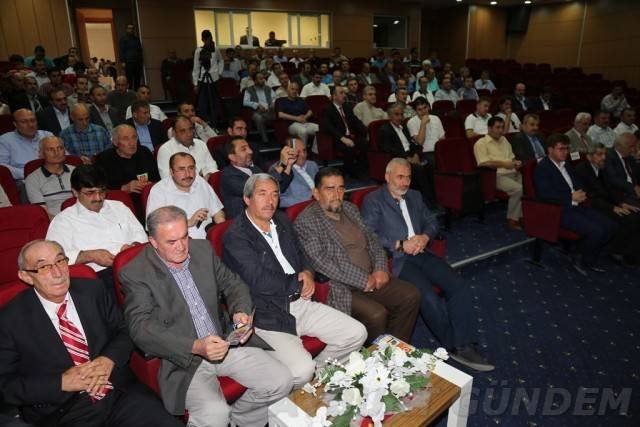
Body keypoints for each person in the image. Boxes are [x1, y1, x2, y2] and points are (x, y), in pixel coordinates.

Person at [119, 205, 293, 426]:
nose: (182, 247)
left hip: (224, 341)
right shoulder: (136, 272)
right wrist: (195, 346)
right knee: (215, 413)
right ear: (153, 241)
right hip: (184, 359)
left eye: (184, 237)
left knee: (282, 380)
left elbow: (233, 284)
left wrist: (239, 311)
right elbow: (140, 328)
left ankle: (243, 419)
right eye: (171, 242)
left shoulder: (202, 249)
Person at [0, 239, 183, 427]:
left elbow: (125, 329)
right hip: (65, 412)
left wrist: (108, 359)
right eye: (44, 267)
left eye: (60, 261)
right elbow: (5, 385)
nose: (57, 273)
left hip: (118, 393)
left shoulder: (92, 291)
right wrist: (60, 383)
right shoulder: (9, 320)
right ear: (26, 276)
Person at [222, 174, 366, 386]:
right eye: (262, 194)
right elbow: (258, 280)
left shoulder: (281, 220)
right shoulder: (236, 236)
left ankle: (318, 379)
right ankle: (308, 382)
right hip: (269, 314)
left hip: (301, 302)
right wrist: (297, 282)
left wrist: (307, 272)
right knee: (302, 370)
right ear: (247, 198)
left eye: (275, 195)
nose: (270, 201)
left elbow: (301, 252)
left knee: (356, 333)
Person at [361, 158, 495, 371]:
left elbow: (432, 221)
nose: (405, 182)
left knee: (459, 286)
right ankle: (455, 346)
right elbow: (369, 235)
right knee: (428, 297)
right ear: (387, 176)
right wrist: (400, 244)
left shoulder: (415, 196)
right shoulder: (373, 200)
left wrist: (424, 237)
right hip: (398, 260)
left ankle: (462, 342)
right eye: (400, 177)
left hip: (422, 252)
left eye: (408, 177)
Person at [294, 167, 421, 343]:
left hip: (372, 275)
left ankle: (393, 350)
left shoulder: (350, 208)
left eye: (340, 188)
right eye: (330, 189)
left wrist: (380, 268)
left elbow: (373, 240)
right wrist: (363, 279)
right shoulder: (306, 221)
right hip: (341, 286)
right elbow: (321, 261)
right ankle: (371, 356)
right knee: (376, 315)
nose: (337, 194)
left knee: (411, 295)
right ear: (316, 193)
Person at [45, 165, 148, 287]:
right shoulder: (63, 220)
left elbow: (141, 236)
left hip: (134, 264)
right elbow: (53, 257)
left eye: (102, 191)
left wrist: (133, 246)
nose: (98, 198)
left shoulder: (119, 207)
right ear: (75, 192)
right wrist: (90, 256)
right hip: (98, 276)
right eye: (90, 193)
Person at [534, 134, 617, 275]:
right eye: (561, 149)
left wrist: (582, 192)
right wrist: (571, 197)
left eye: (567, 148)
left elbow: (578, 182)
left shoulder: (566, 164)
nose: (565, 152)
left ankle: (581, 252)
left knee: (611, 225)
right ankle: (583, 258)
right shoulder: (542, 168)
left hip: (577, 205)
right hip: (558, 210)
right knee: (597, 232)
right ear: (550, 150)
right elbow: (546, 195)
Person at [575, 143, 640, 267]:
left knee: (636, 215)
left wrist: (621, 203)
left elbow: (610, 190)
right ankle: (617, 252)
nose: (604, 157)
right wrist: (613, 207)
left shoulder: (601, 167)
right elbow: (590, 198)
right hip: (591, 205)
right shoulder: (582, 170)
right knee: (631, 220)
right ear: (589, 157)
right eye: (599, 154)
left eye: (604, 154)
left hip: (605, 202)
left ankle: (630, 252)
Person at [146, 153, 224, 239]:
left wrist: (222, 231)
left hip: (211, 236)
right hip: (182, 242)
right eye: (181, 169)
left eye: (191, 168)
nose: (187, 174)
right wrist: (188, 222)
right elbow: (154, 228)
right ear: (171, 172)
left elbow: (217, 212)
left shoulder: (200, 182)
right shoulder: (158, 191)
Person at [378, 103, 436, 207]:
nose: (400, 117)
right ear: (390, 116)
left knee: (431, 163)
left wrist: (416, 155)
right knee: (418, 169)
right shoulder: (384, 130)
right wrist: (407, 159)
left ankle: (436, 197)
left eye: (401, 114)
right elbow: (388, 150)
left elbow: (412, 144)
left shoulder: (403, 127)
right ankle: (428, 202)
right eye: (396, 114)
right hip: (398, 159)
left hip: (410, 155)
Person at [220, 136, 294, 218]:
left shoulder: (255, 169)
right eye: (244, 149)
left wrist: (288, 165)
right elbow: (256, 188)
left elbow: (278, 188)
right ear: (232, 157)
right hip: (244, 220)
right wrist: (282, 164)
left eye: (249, 147)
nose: (250, 151)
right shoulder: (228, 175)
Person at [94, 124, 158, 215]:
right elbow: (100, 189)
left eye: (134, 137)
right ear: (115, 142)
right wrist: (123, 188)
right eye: (125, 139)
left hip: (150, 200)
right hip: (120, 206)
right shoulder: (104, 159)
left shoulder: (145, 152)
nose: (132, 143)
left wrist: (150, 185)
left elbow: (157, 179)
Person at [473, 116, 523, 229]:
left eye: (502, 127)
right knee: (518, 189)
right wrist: (504, 164)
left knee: (529, 184)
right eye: (497, 127)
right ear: (489, 128)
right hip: (496, 175)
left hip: (513, 171)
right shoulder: (480, 143)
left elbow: (512, 157)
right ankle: (512, 219)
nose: (501, 130)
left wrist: (516, 162)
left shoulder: (504, 140)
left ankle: (521, 216)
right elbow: (483, 163)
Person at [322, 86, 368, 177]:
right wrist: (342, 138)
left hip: (350, 136)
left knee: (364, 143)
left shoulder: (347, 107)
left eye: (344, 93)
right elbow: (329, 128)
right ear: (334, 96)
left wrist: (366, 130)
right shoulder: (327, 109)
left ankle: (361, 168)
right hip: (336, 138)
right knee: (348, 148)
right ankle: (351, 172)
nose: (344, 95)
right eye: (341, 93)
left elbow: (356, 121)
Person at [25, 136, 74, 218]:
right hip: (53, 220)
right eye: (50, 149)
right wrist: (62, 223)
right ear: (41, 154)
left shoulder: (76, 172)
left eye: (60, 148)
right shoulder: (32, 179)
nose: (56, 152)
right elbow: (42, 212)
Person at [157, 115, 218, 180]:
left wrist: (207, 174)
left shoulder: (200, 144)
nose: (189, 134)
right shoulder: (165, 150)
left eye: (190, 129)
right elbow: (167, 178)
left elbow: (213, 166)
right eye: (183, 131)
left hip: (207, 182)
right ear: (174, 133)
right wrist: (201, 176)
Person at [0, 109, 53, 181]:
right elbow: (2, 166)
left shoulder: (47, 135)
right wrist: (27, 173)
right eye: (24, 122)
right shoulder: (4, 140)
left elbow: (65, 156)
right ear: (15, 124)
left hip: (53, 175)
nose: (30, 125)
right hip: (24, 179)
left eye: (33, 120)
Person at [272, 138, 318, 208]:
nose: (303, 155)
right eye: (298, 152)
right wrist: (307, 201)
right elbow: (278, 199)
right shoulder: (278, 170)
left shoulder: (312, 165)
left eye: (304, 150)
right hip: (300, 209)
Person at [193, 30, 225, 124]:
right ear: (203, 40)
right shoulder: (199, 51)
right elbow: (196, 67)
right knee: (203, 102)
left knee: (215, 101)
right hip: (203, 79)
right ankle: (204, 121)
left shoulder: (215, 49)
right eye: (206, 39)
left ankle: (216, 120)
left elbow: (221, 60)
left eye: (209, 39)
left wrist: (219, 72)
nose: (208, 41)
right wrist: (195, 83)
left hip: (214, 78)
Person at [277, 82, 319, 149]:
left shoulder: (300, 100)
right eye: (292, 89)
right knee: (303, 131)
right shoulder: (282, 101)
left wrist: (305, 117)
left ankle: (315, 151)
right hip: (292, 124)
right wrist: (296, 118)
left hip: (304, 122)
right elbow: (280, 115)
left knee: (319, 128)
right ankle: (303, 152)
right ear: (288, 90)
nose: (294, 91)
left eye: (296, 89)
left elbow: (310, 111)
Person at [407, 96, 445, 167]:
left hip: (438, 151)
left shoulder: (436, 118)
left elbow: (442, 138)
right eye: (419, 109)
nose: (423, 111)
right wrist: (423, 124)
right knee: (433, 161)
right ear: (415, 111)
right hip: (424, 153)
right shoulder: (411, 122)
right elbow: (420, 142)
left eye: (425, 108)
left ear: (428, 107)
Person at [604, 133, 640, 203]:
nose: (634, 149)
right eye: (631, 146)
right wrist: (633, 187)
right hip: (622, 194)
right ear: (618, 146)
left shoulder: (629, 155)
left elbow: (637, 174)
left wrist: (637, 161)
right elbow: (613, 179)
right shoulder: (608, 156)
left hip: (634, 190)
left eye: (635, 146)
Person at [242, 72, 275, 145]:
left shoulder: (268, 88)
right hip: (257, 111)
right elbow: (245, 102)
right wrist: (257, 105)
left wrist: (273, 103)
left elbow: (275, 98)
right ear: (255, 80)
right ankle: (265, 140)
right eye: (260, 79)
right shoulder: (249, 90)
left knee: (279, 114)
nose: (263, 80)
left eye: (263, 78)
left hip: (269, 110)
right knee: (258, 118)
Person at [119, 24, 144, 89]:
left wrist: (141, 61)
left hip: (137, 62)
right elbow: (121, 50)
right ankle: (129, 93)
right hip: (128, 62)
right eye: (129, 28)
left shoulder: (137, 39)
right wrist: (123, 61)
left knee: (137, 79)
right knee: (129, 79)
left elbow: (140, 50)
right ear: (126, 29)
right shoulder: (123, 39)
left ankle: (136, 93)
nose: (131, 30)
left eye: (132, 28)